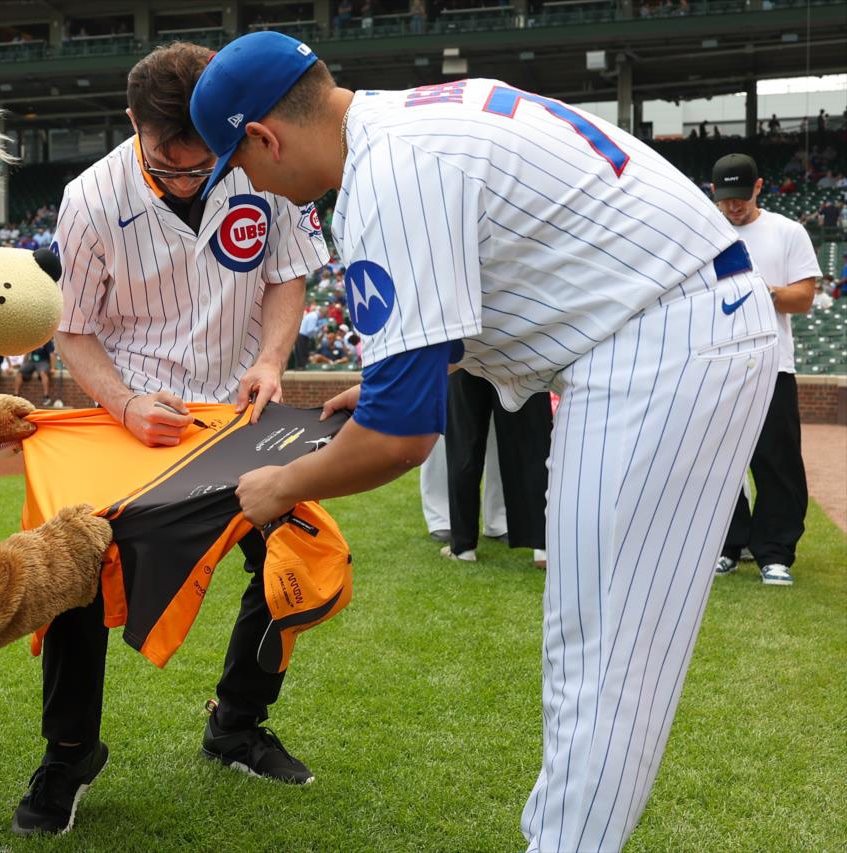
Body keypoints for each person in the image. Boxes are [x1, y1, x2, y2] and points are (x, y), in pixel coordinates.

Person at [192, 32, 778, 852]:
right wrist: (418, 365)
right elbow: (517, 259)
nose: (249, 180)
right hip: (659, 322)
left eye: (239, 163)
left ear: (264, 136)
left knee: (606, 663)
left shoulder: (388, 176)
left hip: (664, 341)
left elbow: (399, 438)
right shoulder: (406, 121)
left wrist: (284, 486)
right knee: (587, 647)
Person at [10, 41, 328, 837]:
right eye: (168, 163)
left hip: (238, 412)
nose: (188, 177)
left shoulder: (258, 165)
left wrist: (269, 358)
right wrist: (121, 402)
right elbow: (73, 332)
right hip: (137, 420)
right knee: (79, 563)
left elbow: (288, 272)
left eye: (201, 162)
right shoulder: (87, 199)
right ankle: (70, 749)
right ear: (131, 126)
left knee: (299, 555)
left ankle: (237, 721)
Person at [710, 154, 821, 586]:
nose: (733, 207)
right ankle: (726, 545)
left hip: (773, 364)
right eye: (725, 199)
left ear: (758, 187)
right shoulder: (708, 232)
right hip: (719, 363)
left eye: (740, 197)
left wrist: (764, 293)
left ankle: (775, 552)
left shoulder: (786, 231)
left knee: (777, 461)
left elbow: (805, 298)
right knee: (717, 462)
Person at [440, 370, 549, 569]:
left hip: (468, 353)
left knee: (464, 445)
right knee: (531, 445)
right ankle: (542, 546)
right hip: (520, 353)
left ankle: (463, 547)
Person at [13, 339, 54, 406]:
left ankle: (46, 396)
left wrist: (52, 368)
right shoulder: (33, 339)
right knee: (20, 372)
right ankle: (16, 395)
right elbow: (27, 353)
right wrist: (23, 364)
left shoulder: (47, 340)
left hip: (44, 361)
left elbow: (52, 354)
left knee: (43, 373)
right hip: (32, 361)